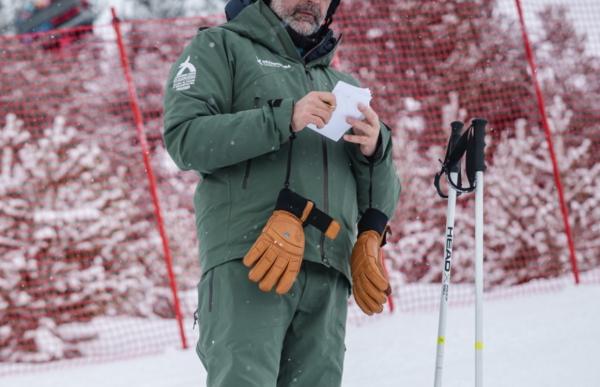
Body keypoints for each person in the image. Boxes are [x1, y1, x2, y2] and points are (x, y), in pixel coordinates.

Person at [162, 0, 401, 385]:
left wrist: (376, 154)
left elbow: (381, 187)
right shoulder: (221, 48)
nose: (311, 2)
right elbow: (185, 138)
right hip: (251, 260)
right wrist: (283, 117)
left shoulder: (345, 87)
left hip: (327, 270)